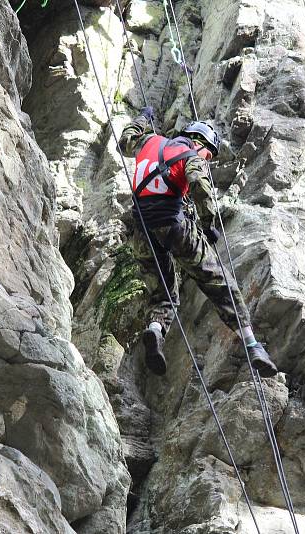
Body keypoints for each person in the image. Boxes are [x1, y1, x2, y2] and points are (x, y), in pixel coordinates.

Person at [118, 106, 277, 378]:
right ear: (200, 142)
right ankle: (253, 345)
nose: (208, 159)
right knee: (219, 281)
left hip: (141, 232)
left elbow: (125, 140)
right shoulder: (192, 154)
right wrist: (208, 224)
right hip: (173, 227)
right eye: (209, 154)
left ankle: (155, 331)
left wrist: (145, 117)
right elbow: (200, 187)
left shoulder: (147, 142)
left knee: (164, 292)